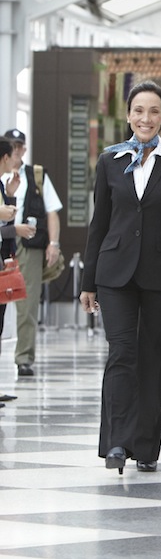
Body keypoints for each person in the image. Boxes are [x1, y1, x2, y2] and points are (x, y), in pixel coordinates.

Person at [78, 82, 161, 474]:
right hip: (115, 273)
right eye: (139, 111)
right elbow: (99, 224)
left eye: (153, 111)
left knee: (153, 357)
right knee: (121, 353)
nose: (145, 118)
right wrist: (88, 280)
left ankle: (146, 445)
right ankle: (116, 442)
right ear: (129, 115)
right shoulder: (109, 160)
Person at [1, 128, 63, 377]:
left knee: (27, 304)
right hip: (7, 243)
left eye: (19, 146)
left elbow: (52, 212)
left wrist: (54, 244)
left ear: (24, 149)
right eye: (11, 147)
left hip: (28, 246)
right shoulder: (4, 178)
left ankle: (23, 357)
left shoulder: (35, 175)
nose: (16, 151)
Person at [0, 139, 36, 405]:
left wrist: (10, 195)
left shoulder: (2, 184)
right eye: (11, 155)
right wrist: (16, 229)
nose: (14, 160)